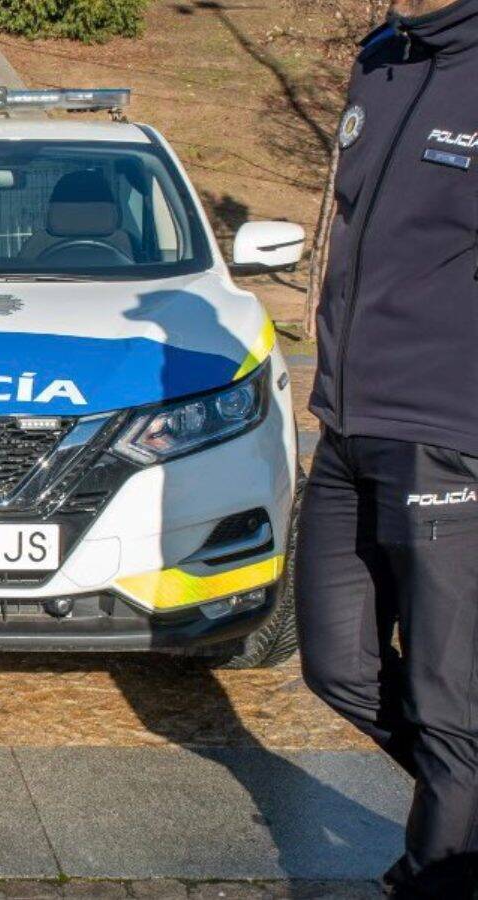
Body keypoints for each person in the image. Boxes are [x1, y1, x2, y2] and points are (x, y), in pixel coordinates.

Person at [299, 0, 478, 895]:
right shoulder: (381, 60)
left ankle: (435, 871)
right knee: (337, 665)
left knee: (451, 702)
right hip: (346, 425)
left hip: (450, 437)